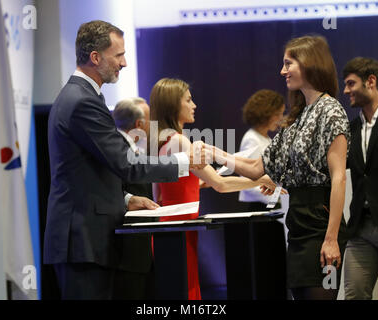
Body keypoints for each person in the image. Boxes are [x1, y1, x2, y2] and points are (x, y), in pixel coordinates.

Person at [43, 21, 207, 300]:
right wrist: (184, 160)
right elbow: (127, 164)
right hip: (83, 244)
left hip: (86, 243)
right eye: (118, 55)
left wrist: (126, 200)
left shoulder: (82, 97)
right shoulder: (82, 101)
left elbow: (90, 171)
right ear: (95, 57)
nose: (125, 63)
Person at [206, 35, 350, 300]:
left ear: (309, 63)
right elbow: (257, 167)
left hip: (320, 225)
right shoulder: (297, 117)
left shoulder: (331, 110)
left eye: (288, 64)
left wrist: (331, 238)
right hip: (298, 226)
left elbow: (338, 178)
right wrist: (216, 153)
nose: (282, 71)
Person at [150, 78, 276, 300]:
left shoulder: (160, 141)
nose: (194, 105)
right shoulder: (181, 141)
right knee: (186, 293)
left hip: (167, 230)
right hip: (180, 230)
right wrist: (260, 180)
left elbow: (161, 193)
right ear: (173, 105)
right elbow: (222, 185)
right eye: (188, 100)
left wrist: (200, 182)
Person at [342, 57, 378, 300]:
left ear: (371, 81)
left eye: (350, 84)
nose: (345, 91)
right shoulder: (351, 129)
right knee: (354, 294)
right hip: (359, 228)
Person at [111, 97, 155, 299]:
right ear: (139, 125)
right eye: (150, 118)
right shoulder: (118, 149)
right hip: (126, 251)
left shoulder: (132, 149)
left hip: (135, 250)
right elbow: (111, 189)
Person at [239, 89, 286, 210]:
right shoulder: (252, 139)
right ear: (265, 113)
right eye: (277, 114)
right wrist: (278, 198)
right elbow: (248, 182)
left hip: (271, 203)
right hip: (260, 206)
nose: (281, 119)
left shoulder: (267, 139)